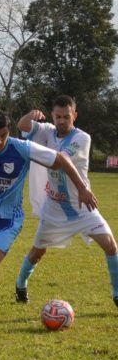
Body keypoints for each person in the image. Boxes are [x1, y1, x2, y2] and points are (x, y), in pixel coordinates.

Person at [0, 110, 97, 317]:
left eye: (4, 135)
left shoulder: (22, 148)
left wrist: (82, 189)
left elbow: (61, 159)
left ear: (9, 132)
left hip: (7, 220)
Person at [15, 96, 118, 307]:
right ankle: (20, 284)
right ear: (53, 115)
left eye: (66, 117)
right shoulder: (46, 131)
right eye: (58, 116)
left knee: (110, 246)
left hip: (82, 206)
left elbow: (60, 160)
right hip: (53, 208)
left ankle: (117, 294)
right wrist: (31, 115)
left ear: (75, 116)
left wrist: (82, 189)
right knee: (37, 253)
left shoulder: (82, 138)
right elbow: (22, 125)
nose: (62, 121)